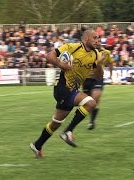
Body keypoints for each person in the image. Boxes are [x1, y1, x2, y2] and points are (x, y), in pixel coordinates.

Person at [29, 29, 106, 158]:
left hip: (72, 90)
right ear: (85, 39)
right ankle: (68, 131)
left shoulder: (96, 55)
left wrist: (99, 64)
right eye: (94, 38)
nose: (97, 40)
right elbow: (49, 56)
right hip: (62, 88)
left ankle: (37, 146)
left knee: (55, 123)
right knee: (90, 103)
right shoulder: (72, 47)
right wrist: (61, 65)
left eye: (98, 38)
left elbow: (98, 76)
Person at [80, 44, 114, 130]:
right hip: (86, 79)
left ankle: (92, 122)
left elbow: (111, 63)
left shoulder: (106, 53)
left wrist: (111, 74)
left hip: (98, 78)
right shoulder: (84, 51)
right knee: (87, 102)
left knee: (95, 98)